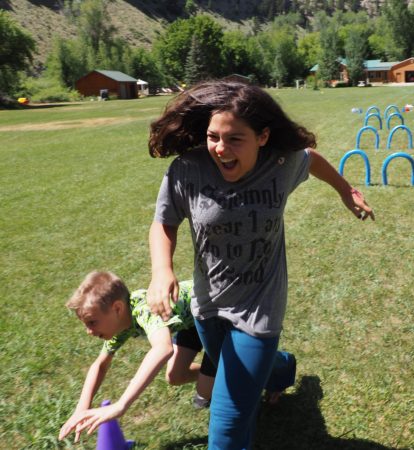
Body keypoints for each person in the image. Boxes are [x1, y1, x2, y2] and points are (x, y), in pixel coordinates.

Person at [146, 80, 374, 449]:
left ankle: (264, 371)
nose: (221, 149)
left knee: (229, 420)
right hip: (209, 306)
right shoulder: (187, 170)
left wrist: (346, 191)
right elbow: (164, 222)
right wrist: (162, 270)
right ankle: (281, 367)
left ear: (263, 137)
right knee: (246, 370)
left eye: (235, 139)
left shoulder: (280, 165)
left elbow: (310, 158)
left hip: (260, 308)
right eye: (213, 137)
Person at [58, 272, 217, 443]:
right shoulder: (121, 320)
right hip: (190, 319)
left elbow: (163, 348)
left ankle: (229, 379)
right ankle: (218, 375)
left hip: (214, 313)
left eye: (92, 322)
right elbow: (100, 365)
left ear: (117, 308)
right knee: (175, 376)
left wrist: (121, 405)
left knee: (205, 390)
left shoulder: (144, 309)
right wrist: (82, 408)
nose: (88, 331)